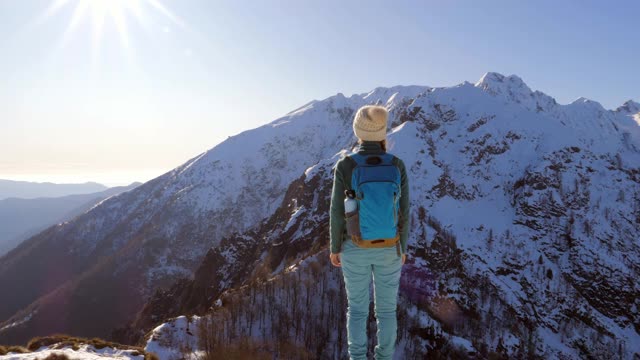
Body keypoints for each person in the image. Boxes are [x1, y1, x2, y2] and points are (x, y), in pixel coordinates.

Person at [329, 104, 409, 360]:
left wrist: (334, 247)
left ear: (358, 131)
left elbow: (336, 211)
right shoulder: (397, 164)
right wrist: (403, 247)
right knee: (386, 312)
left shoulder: (346, 165)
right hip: (389, 247)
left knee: (358, 310)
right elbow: (404, 212)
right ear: (382, 133)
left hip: (354, 245)